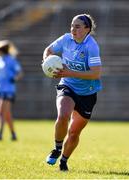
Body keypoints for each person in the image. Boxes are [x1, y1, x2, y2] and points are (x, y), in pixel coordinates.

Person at [43, 14, 102, 171]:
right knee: (63, 115)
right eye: (72, 25)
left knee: (74, 132)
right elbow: (48, 50)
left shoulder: (91, 46)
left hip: (88, 93)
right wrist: (46, 62)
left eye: (77, 26)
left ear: (87, 29)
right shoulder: (65, 39)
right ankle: (57, 148)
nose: (73, 29)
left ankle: (63, 161)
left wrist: (70, 72)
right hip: (67, 85)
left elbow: (96, 73)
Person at [0, 40, 23, 141]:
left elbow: (19, 73)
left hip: (9, 90)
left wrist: (14, 78)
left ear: (1, 50)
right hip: (0, 89)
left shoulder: (11, 60)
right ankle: (13, 134)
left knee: (1, 111)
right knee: (7, 113)